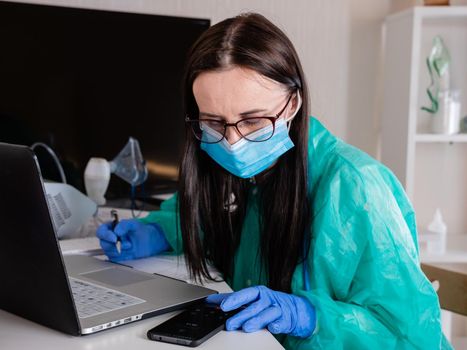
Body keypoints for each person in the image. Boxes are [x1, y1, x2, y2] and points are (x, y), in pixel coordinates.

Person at [97, 13, 452, 349]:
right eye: (214, 123)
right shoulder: (251, 173)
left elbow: (410, 335)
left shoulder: (357, 187)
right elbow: (212, 223)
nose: (233, 143)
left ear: (293, 103)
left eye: (252, 121)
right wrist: (158, 231)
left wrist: (310, 317)